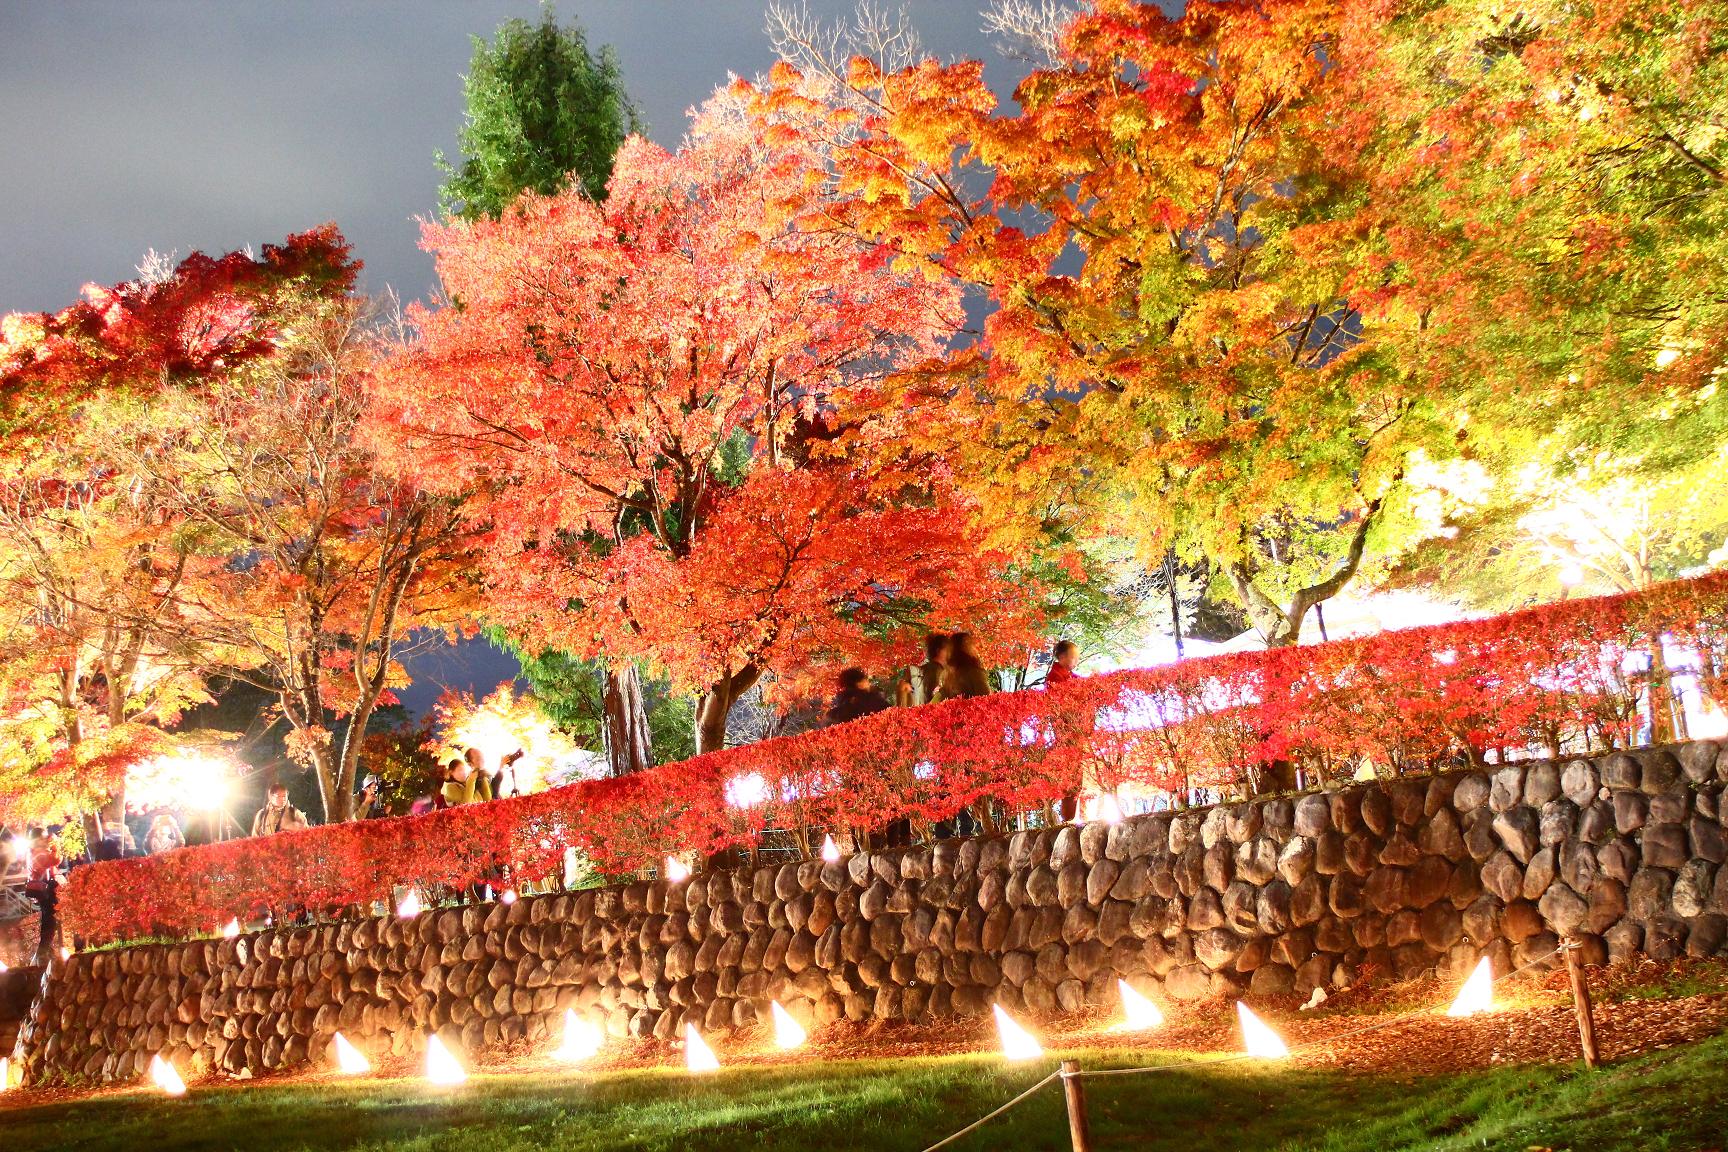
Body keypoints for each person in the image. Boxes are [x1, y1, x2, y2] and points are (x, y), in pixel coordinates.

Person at [24, 827, 62, 965]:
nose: (46, 840)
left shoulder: (34, 852)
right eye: (43, 838)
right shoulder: (38, 853)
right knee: (49, 920)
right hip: (45, 891)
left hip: (44, 891)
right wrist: (55, 846)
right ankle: (43, 952)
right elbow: (54, 860)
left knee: (49, 919)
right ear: (37, 839)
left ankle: (47, 952)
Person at [936, 632, 992, 700]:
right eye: (971, 644)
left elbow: (942, 696)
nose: (975, 648)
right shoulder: (974, 672)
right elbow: (985, 697)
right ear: (965, 647)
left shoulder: (947, 674)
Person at [897, 633, 948, 707]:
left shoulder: (915, 672)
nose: (951, 653)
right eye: (948, 649)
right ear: (939, 651)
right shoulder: (945, 674)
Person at [826, 668, 891, 726]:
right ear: (859, 684)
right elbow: (892, 715)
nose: (869, 683)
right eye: (866, 680)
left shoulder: (836, 712)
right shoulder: (873, 701)